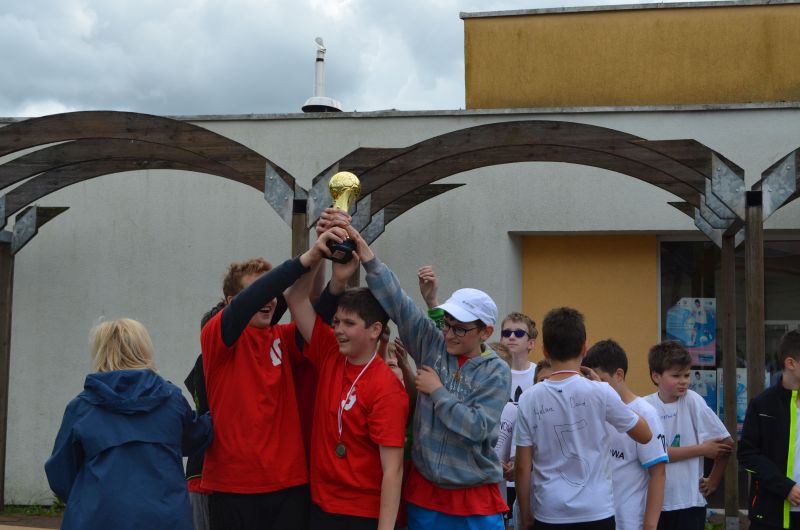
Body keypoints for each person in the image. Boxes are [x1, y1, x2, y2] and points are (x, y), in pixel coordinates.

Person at [353, 228, 511, 530]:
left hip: (474, 500)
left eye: (460, 329)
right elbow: (399, 304)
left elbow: (477, 428)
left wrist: (438, 392)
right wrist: (367, 255)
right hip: (425, 495)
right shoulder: (434, 343)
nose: (449, 334)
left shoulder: (496, 370)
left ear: (486, 332)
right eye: (447, 324)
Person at [200, 227, 346, 530]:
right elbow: (253, 298)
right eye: (260, 293)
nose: (268, 300)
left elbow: (315, 319)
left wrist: (334, 279)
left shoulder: (282, 337)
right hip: (234, 486)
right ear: (231, 301)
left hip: (288, 483)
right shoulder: (218, 337)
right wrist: (307, 258)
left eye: (272, 296)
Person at [284, 227, 409, 530]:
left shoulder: (387, 388)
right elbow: (294, 298)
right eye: (337, 321)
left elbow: (393, 471)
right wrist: (318, 255)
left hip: (361, 515)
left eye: (349, 323)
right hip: (320, 506)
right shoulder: (330, 352)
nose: (338, 329)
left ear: (375, 330)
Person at [45, 319, 213, 530]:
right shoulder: (172, 401)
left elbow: (60, 474)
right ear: (144, 349)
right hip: (164, 519)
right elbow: (196, 437)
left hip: (97, 519)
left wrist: (87, 499)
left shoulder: (81, 408)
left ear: (100, 352)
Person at [514, 307, 652, 530]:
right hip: (597, 512)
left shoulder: (529, 398)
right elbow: (645, 434)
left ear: (544, 350)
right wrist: (606, 391)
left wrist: (526, 516)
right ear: (584, 348)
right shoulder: (601, 392)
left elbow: (522, 466)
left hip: (549, 512)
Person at [643, 341, 733, 530]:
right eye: (676, 376)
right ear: (656, 376)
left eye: (686, 375)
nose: (684, 381)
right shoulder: (645, 406)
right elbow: (656, 454)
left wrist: (714, 480)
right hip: (652, 502)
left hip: (689, 502)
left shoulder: (693, 400)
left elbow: (726, 441)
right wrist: (701, 449)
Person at [583, 339, 668, 530]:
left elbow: (658, 473)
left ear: (619, 375)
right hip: (594, 517)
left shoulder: (645, 413)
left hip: (628, 521)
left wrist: (650, 525)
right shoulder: (590, 409)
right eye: (590, 382)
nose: (596, 387)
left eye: (601, 380)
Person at [738, 329, 800, 530]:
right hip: (770, 515)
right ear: (790, 363)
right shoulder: (762, 404)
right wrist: (785, 487)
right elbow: (747, 455)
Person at [499, 312, 538, 516]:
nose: (511, 337)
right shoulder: (492, 372)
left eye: (519, 333)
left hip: (529, 476)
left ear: (531, 343)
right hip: (495, 473)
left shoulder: (540, 375)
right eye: (506, 333)